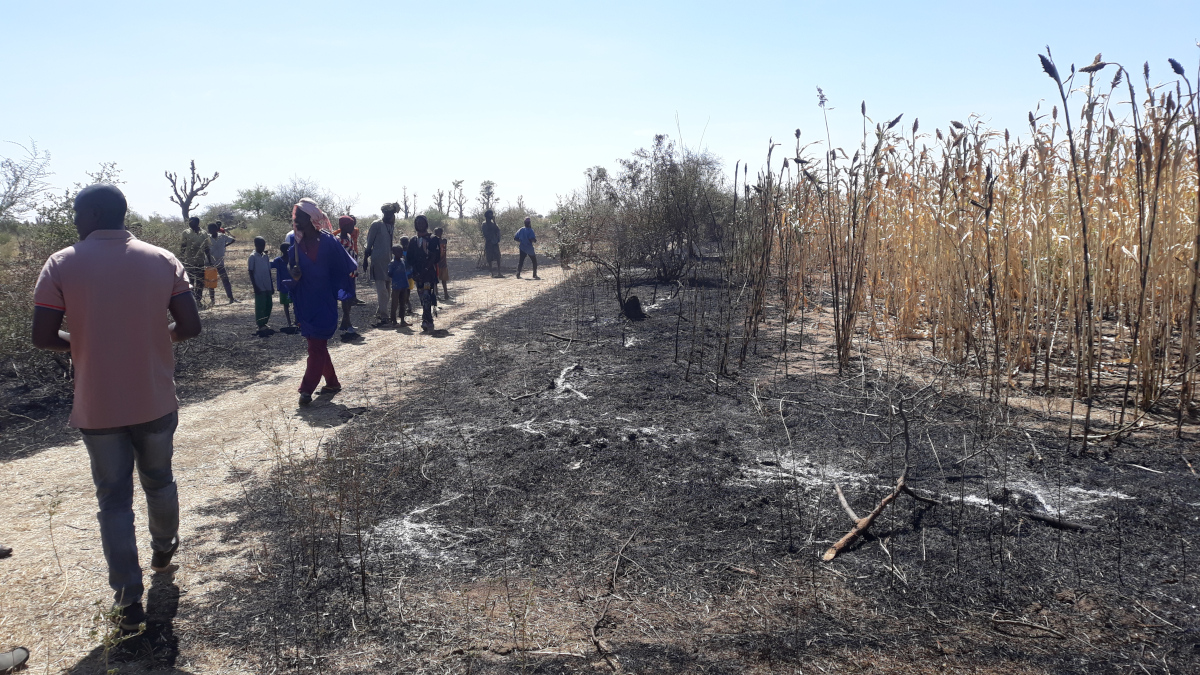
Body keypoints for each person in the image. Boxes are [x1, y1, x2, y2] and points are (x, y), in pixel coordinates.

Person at [31, 184, 202, 633]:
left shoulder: (62, 264)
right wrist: (154, 340)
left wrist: (81, 345)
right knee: (159, 479)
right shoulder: (162, 260)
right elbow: (190, 325)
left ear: (94, 213)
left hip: (98, 405)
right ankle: (163, 549)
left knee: (113, 500)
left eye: (77, 212)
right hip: (154, 397)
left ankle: (127, 600)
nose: (73, 220)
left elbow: (43, 336)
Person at [286, 199, 357, 406]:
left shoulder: (329, 241)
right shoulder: (296, 243)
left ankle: (306, 389)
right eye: (295, 216)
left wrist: (344, 291)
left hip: (324, 300)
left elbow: (345, 266)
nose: (296, 219)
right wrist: (294, 274)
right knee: (315, 345)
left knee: (316, 346)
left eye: (299, 216)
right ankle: (332, 383)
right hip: (305, 300)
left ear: (310, 218)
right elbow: (291, 268)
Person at [363, 203, 398, 326]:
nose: (389, 215)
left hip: (388, 261)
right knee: (382, 289)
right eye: (387, 213)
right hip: (377, 260)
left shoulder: (391, 226)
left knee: (388, 289)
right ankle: (384, 316)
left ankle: (381, 311)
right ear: (384, 213)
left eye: (391, 213)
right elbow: (369, 243)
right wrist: (365, 260)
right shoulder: (376, 224)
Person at [406, 215, 441, 332]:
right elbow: (409, 258)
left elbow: (435, 256)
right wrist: (414, 272)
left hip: (429, 273)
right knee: (422, 296)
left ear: (426, 224)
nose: (420, 225)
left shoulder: (433, 239)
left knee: (426, 295)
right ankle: (428, 318)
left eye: (422, 222)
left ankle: (426, 320)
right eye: (418, 223)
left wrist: (426, 269)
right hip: (417, 274)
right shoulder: (413, 240)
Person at [336, 215, 361, 340]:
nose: (353, 227)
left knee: (350, 298)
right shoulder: (338, 240)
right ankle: (348, 323)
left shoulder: (350, 237)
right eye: (351, 225)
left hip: (352, 272)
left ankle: (345, 322)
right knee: (346, 298)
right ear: (344, 226)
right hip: (344, 273)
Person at [179, 217, 212, 307]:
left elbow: (206, 248)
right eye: (189, 222)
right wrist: (181, 260)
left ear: (197, 223)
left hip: (200, 262)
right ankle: (191, 301)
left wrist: (210, 260)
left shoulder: (204, 233)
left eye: (191, 222)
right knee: (190, 282)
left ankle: (198, 300)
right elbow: (183, 247)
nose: (189, 223)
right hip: (189, 262)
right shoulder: (186, 233)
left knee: (200, 282)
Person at [248, 236, 274, 335]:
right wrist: (255, 286)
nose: (262, 247)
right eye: (260, 245)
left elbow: (269, 271)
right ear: (256, 245)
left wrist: (271, 285)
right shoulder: (252, 257)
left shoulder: (265, 256)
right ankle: (260, 324)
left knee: (269, 305)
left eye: (264, 245)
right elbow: (250, 272)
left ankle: (265, 323)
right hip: (259, 285)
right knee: (260, 306)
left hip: (267, 284)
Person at [207, 222, 237, 304]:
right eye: (209, 229)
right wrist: (209, 261)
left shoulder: (222, 236)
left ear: (216, 230)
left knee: (225, 279)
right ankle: (212, 300)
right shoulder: (207, 238)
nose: (210, 231)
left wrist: (225, 246)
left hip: (220, 261)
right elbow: (205, 249)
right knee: (211, 281)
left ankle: (231, 297)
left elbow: (233, 240)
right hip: (210, 262)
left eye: (211, 229)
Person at [271, 242, 295, 332]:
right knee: (289, 304)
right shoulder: (279, 261)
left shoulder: (290, 260)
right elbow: (271, 265)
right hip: (286, 286)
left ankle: (294, 322)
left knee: (291, 305)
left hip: (290, 286)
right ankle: (292, 322)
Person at [388, 245, 410, 327]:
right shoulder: (392, 263)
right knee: (394, 303)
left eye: (401, 251)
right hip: (396, 286)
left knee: (403, 303)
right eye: (398, 252)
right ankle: (393, 320)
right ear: (393, 253)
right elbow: (389, 273)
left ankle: (402, 320)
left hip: (404, 285)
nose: (401, 253)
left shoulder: (403, 261)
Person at [481, 209, 502, 277]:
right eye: (490, 214)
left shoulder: (493, 224)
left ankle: (499, 272)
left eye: (491, 214)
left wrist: (495, 222)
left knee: (498, 257)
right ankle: (491, 272)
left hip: (495, 242)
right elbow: (485, 233)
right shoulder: (484, 224)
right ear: (487, 216)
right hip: (489, 242)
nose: (491, 215)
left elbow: (497, 230)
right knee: (489, 258)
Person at [433, 226, 451, 301]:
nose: (438, 234)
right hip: (436, 263)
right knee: (435, 280)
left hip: (443, 262)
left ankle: (446, 294)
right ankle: (437, 294)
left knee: (444, 280)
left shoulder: (444, 241)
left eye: (439, 233)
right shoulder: (434, 242)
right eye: (436, 233)